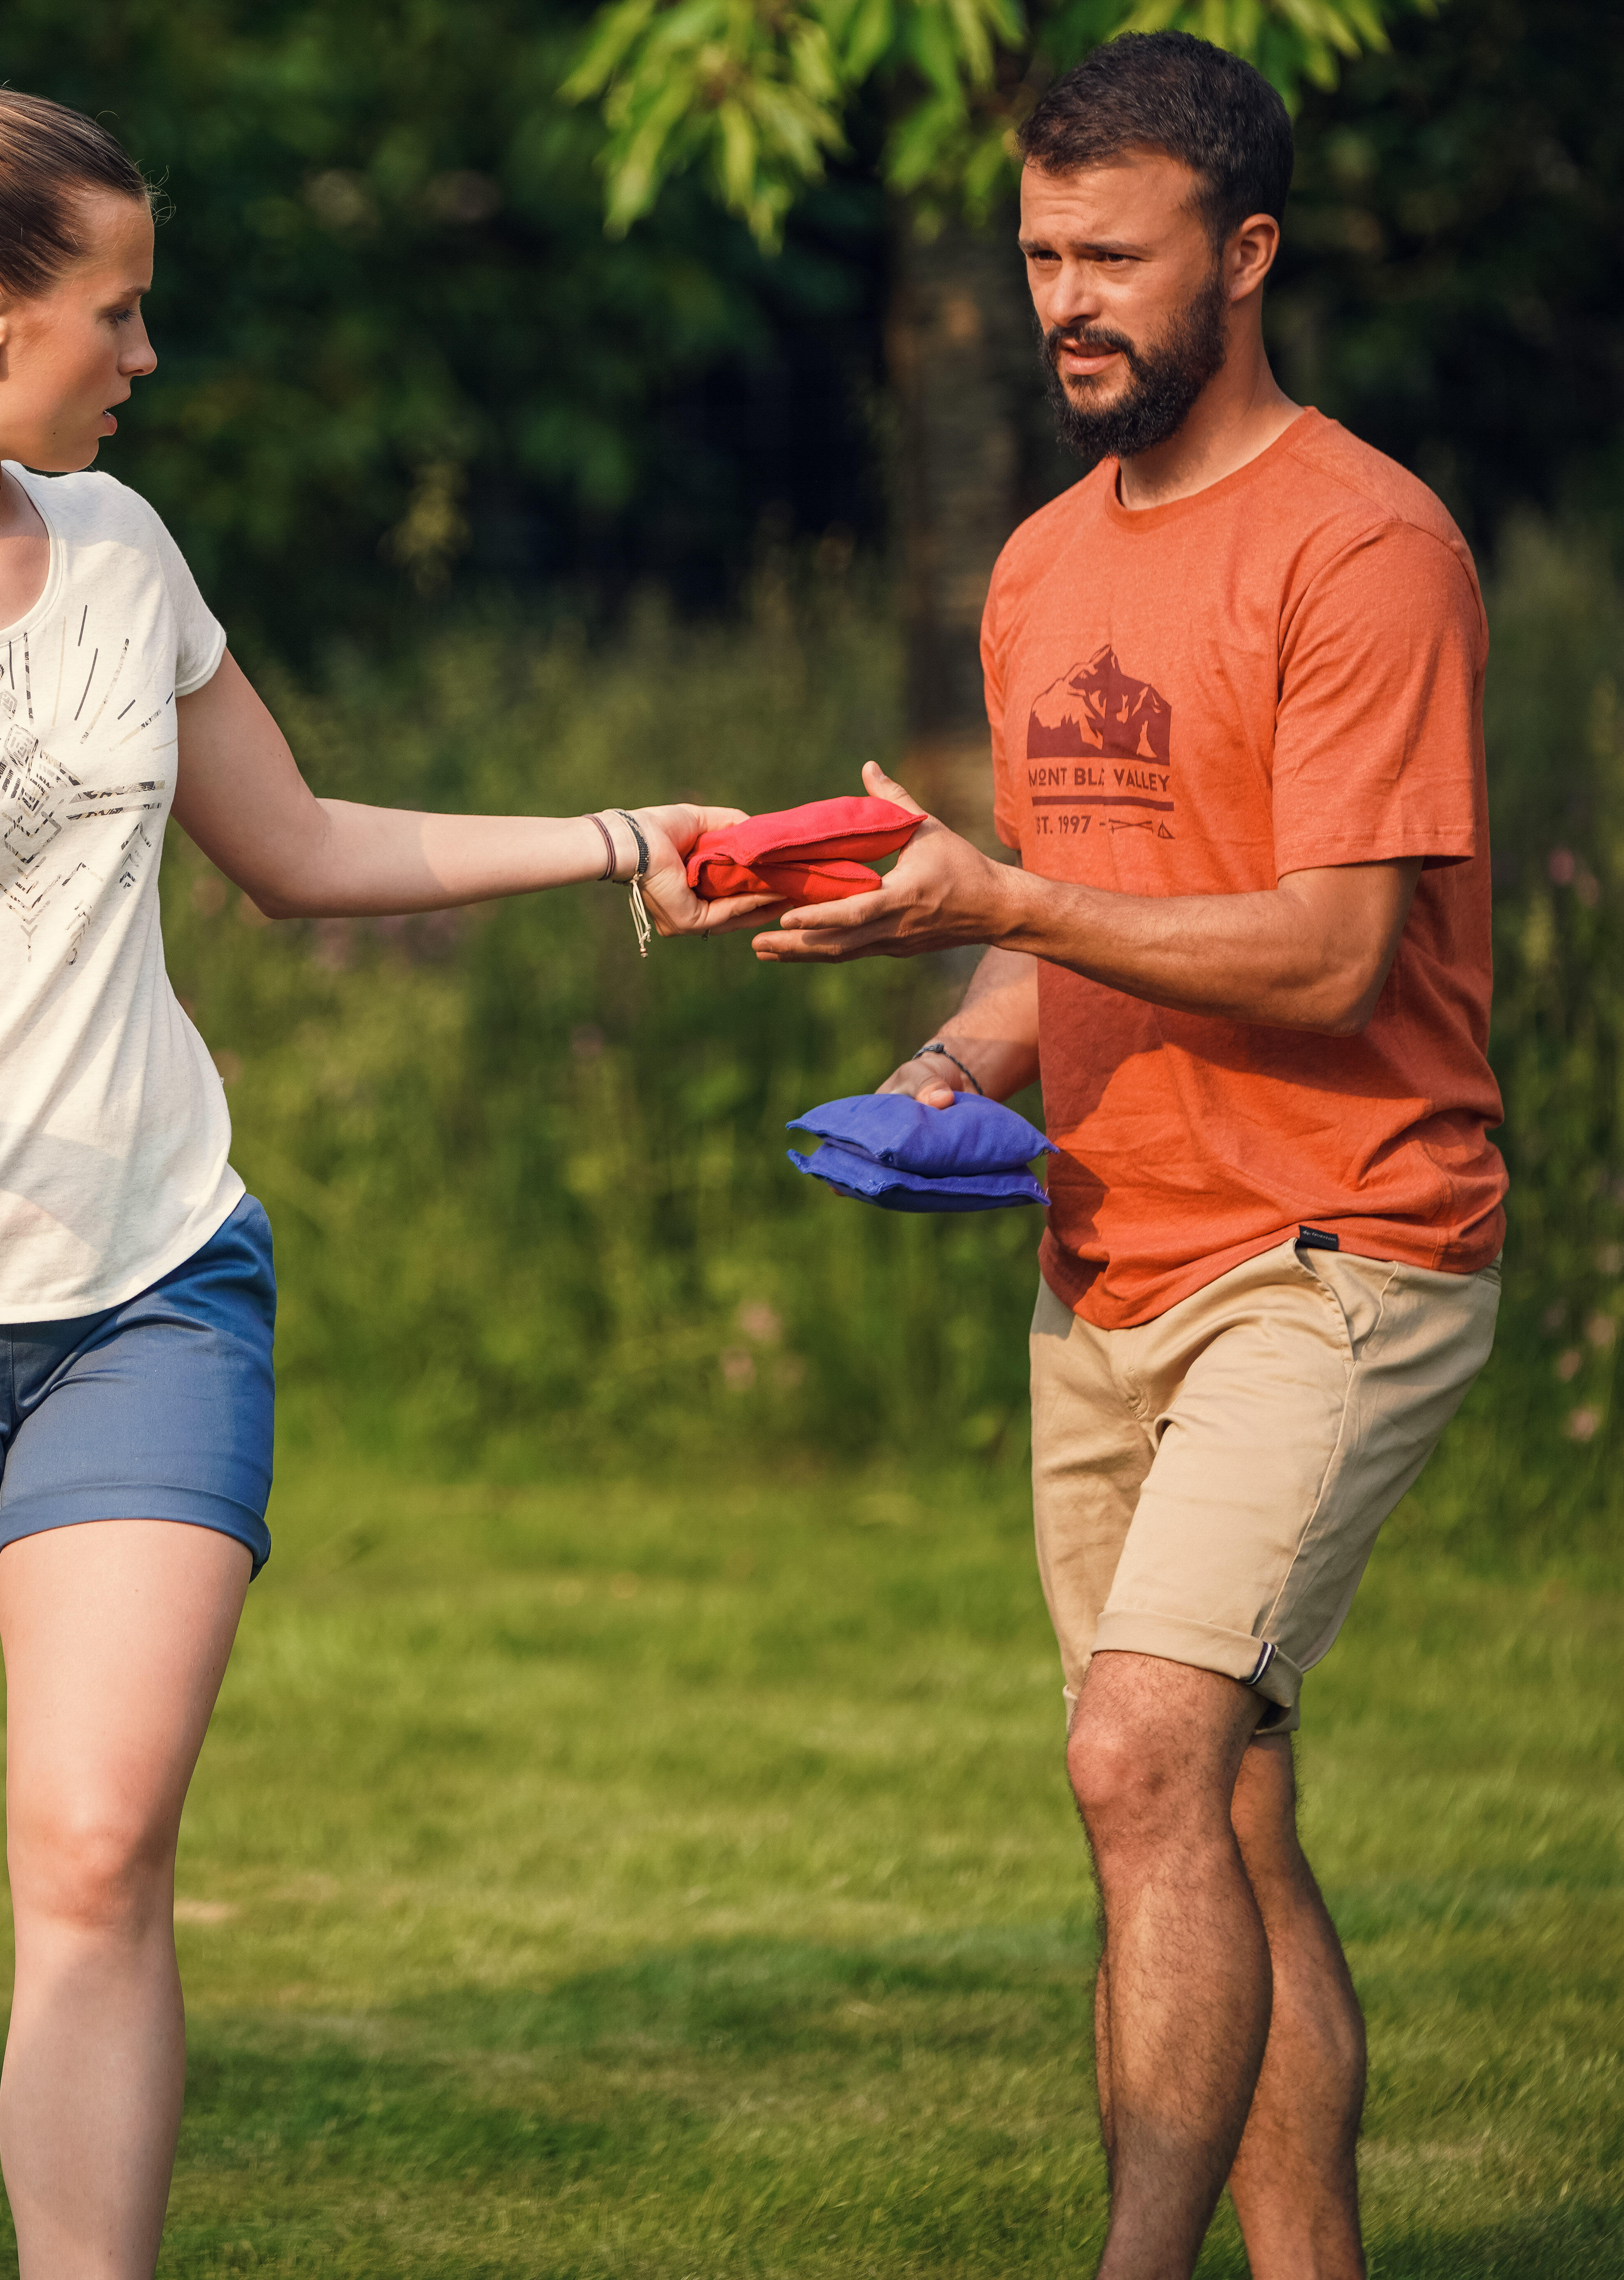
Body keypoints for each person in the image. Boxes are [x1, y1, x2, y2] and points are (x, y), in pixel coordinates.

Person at [0, 69, 759, 2280]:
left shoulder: (121, 554)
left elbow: (303, 855)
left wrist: (626, 839)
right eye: (117, 312)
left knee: (102, 1852)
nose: (145, 355)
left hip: (145, 1283)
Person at [749, 33, 1505, 2280]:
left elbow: (1337, 951)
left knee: (1140, 1755)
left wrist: (1007, 904)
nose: (1065, 300)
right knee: (1218, 1804)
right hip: (1110, 1253)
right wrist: (968, 1044)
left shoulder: (1369, 551)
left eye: (1113, 256)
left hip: (1341, 1239)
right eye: (1038, 257)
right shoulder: (1039, 572)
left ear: (1247, 255)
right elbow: (1080, 929)